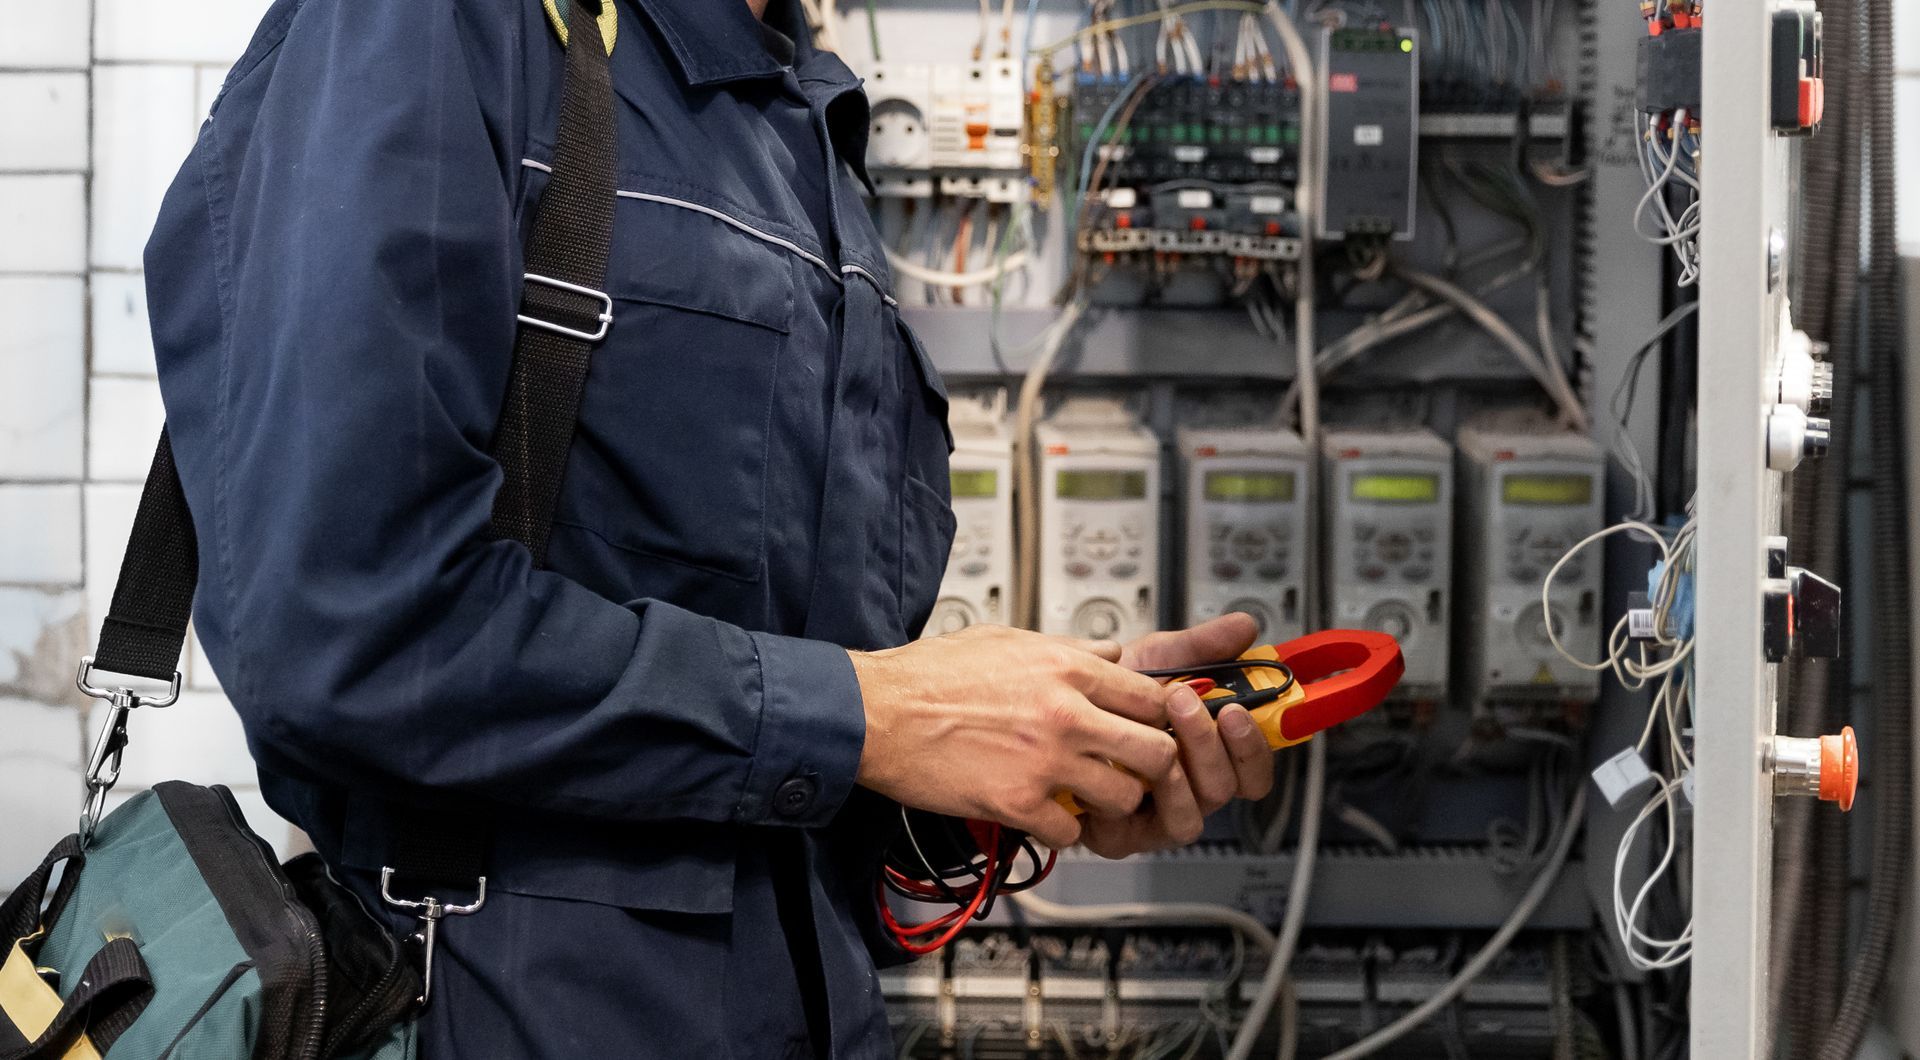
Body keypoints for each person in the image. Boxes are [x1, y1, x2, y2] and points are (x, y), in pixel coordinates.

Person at [144, 0, 1281, 1053]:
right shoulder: (449, 28)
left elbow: (772, 689)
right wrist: (875, 713)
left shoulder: (799, 118)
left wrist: (1040, 744)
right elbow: (352, 631)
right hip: (492, 1010)